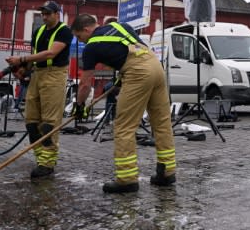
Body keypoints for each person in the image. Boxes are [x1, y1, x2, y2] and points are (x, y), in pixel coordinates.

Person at [71, 14, 176, 193]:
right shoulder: (123, 26)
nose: (81, 41)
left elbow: (85, 84)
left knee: (124, 127)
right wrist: (121, 79)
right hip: (156, 67)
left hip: (137, 73)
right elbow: (130, 51)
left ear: (86, 29)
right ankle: (166, 173)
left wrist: (79, 106)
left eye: (80, 37)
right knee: (162, 123)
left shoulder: (91, 47)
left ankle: (126, 179)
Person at [6, 0, 72, 179]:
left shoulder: (64, 31)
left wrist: (21, 59)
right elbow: (34, 58)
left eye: (48, 13)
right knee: (31, 121)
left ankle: (47, 164)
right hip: (37, 74)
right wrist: (23, 70)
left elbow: (51, 53)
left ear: (57, 14)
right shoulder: (38, 31)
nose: (44, 17)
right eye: (42, 13)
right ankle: (39, 157)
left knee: (49, 121)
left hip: (54, 75)